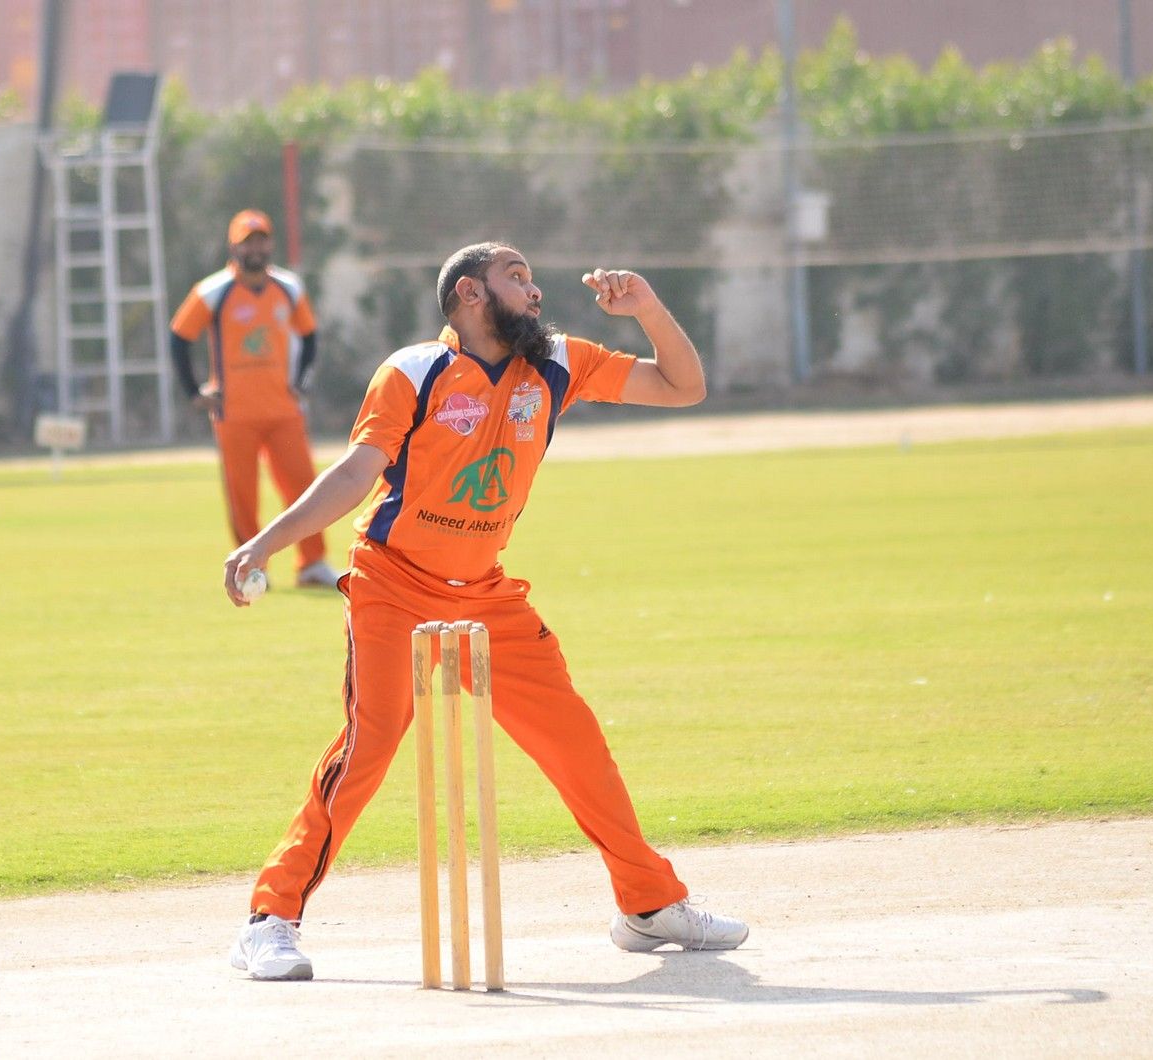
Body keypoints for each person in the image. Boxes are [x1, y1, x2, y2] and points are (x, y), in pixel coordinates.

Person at [222, 242, 749, 981]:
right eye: (516, 278)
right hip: (392, 583)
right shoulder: (413, 371)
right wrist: (265, 543)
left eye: (531, 278)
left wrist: (647, 310)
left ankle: (649, 905)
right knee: (370, 746)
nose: (535, 292)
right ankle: (269, 920)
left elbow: (683, 386)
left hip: (487, 595)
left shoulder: (558, 362)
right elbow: (355, 474)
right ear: (470, 294)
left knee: (576, 743)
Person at [170, 209, 340, 588]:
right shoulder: (214, 291)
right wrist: (194, 391)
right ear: (234, 246)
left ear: (270, 244)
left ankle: (312, 563)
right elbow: (179, 337)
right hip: (235, 414)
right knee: (243, 495)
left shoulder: (288, 288)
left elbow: (309, 336)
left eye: (261, 240)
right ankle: (250, 567)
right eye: (248, 243)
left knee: (304, 488)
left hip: (284, 410)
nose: (255, 249)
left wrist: (303, 381)